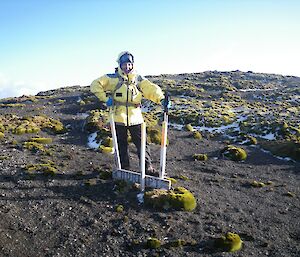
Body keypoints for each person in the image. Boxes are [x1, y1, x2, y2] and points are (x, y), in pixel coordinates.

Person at [90, 51, 169, 175]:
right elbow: (95, 85)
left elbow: (151, 89)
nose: (127, 67)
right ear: (120, 65)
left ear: (132, 65)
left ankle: (147, 168)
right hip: (117, 117)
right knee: (121, 144)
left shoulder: (138, 79)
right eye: (124, 64)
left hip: (136, 117)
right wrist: (105, 99)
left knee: (142, 143)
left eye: (129, 64)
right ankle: (124, 169)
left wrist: (161, 99)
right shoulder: (112, 78)